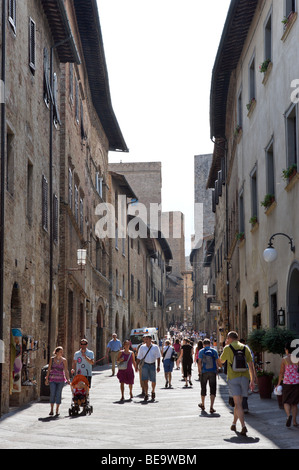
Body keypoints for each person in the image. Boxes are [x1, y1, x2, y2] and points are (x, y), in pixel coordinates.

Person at [220, 331, 255, 436]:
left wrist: (225, 347)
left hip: (233, 378)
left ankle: (243, 426)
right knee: (238, 403)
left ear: (229, 338)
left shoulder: (227, 348)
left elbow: (221, 361)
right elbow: (251, 365)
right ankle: (234, 423)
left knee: (238, 404)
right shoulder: (245, 348)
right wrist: (252, 380)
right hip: (244, 378)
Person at [277, 342, 299, 427]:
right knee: (294, 403)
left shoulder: (284, 359)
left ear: (286, 350)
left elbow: (281, 372)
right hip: (296, 383)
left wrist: (278, 384)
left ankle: (288, 415)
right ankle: (294, 421)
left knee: (286, 401)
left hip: (287, 383)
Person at [198, 339, 222, 413]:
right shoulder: (214, 351)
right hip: (212, 371)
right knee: (213, 389)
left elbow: (199, 362)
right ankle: (211, 407)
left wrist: (199, 372)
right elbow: (218, 361)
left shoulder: (201, 351)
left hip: (204, 372)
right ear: (210, 344)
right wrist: (219, 368)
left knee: (203, 388)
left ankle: (203, 404)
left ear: (203, 345)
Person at [45, 346, 70, 416]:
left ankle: (57, 410)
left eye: (62, 352)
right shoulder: (52, 359)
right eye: (60, 352)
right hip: (52, 379)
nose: (62, 353)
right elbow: (49, 369)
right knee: (52, 393)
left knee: (59, 394)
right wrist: (47, 378)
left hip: (61, 380)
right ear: (56, 352)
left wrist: (68, 379)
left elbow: (66, 370)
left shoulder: (64, 360)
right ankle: (51, 410)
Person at [136, 334, 161, 401]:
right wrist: (136, 366)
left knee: (153, 380)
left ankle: (153, 391)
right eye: (145, 339)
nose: (145, 340)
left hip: (152, 365)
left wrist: (158, 366)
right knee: (145, 380)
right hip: (145, 365)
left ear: (150, 339)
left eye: (147, 339)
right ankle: (146, 394)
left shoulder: (155, 347)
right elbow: (139, 357)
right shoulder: (142, 347)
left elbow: (158, 357)